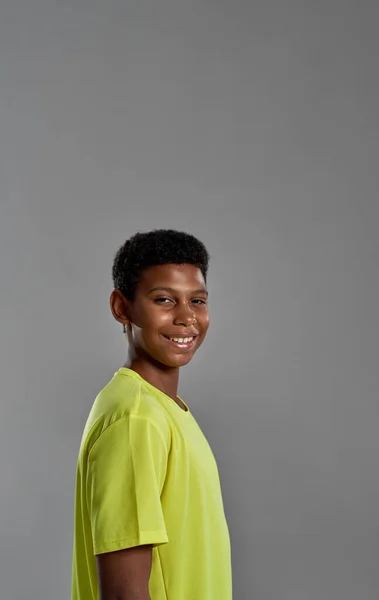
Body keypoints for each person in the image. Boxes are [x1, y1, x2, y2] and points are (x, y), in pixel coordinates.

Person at [71, 229, 232, 600]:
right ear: (122, 307)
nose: (187, 318)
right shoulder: (135, 419)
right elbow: (124, 593)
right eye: (164, 299)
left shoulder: (164, 410)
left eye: (198, 301)